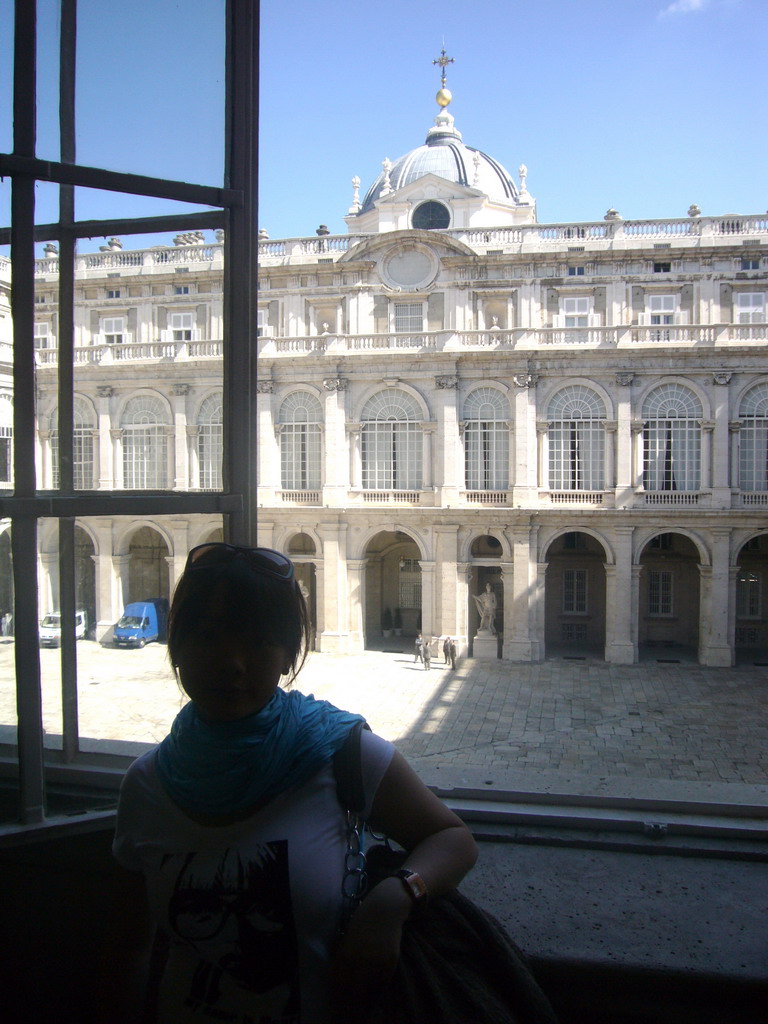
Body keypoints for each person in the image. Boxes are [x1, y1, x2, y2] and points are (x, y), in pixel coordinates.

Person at [98, 543, 477, 1024]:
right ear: (178, 649)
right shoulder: (146, 785)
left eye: (257, 641)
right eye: (209, 636)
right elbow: (128, 948)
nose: (233, 662)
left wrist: (395, 898)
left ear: (287, 655)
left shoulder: (340, 751)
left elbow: (453, 838)